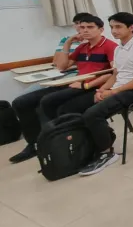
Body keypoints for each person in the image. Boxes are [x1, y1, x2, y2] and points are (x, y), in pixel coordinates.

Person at [9, 15, 117, 164]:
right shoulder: (82, 47)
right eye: (82, 27)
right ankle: (36, 143)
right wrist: (68, 42)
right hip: (73, 83)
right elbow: (61, 66)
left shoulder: (110, 46)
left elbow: (113, 73)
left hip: (91, 86)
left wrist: (87, 85)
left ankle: (59, 137)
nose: (85, 30)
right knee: (21, 102)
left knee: (50, 102)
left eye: (90, 27)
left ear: (101, 29)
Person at [77, 12, 133, 176]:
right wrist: (102, 89)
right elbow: (115, 74)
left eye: (118, 27)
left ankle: (107, 153)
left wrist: (113, 92)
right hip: (120, 88)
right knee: (77, 108)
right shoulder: (119, 48)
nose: (114, 31)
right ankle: (99, 141)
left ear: (131, 28)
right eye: (112, 27)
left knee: (93, 114)